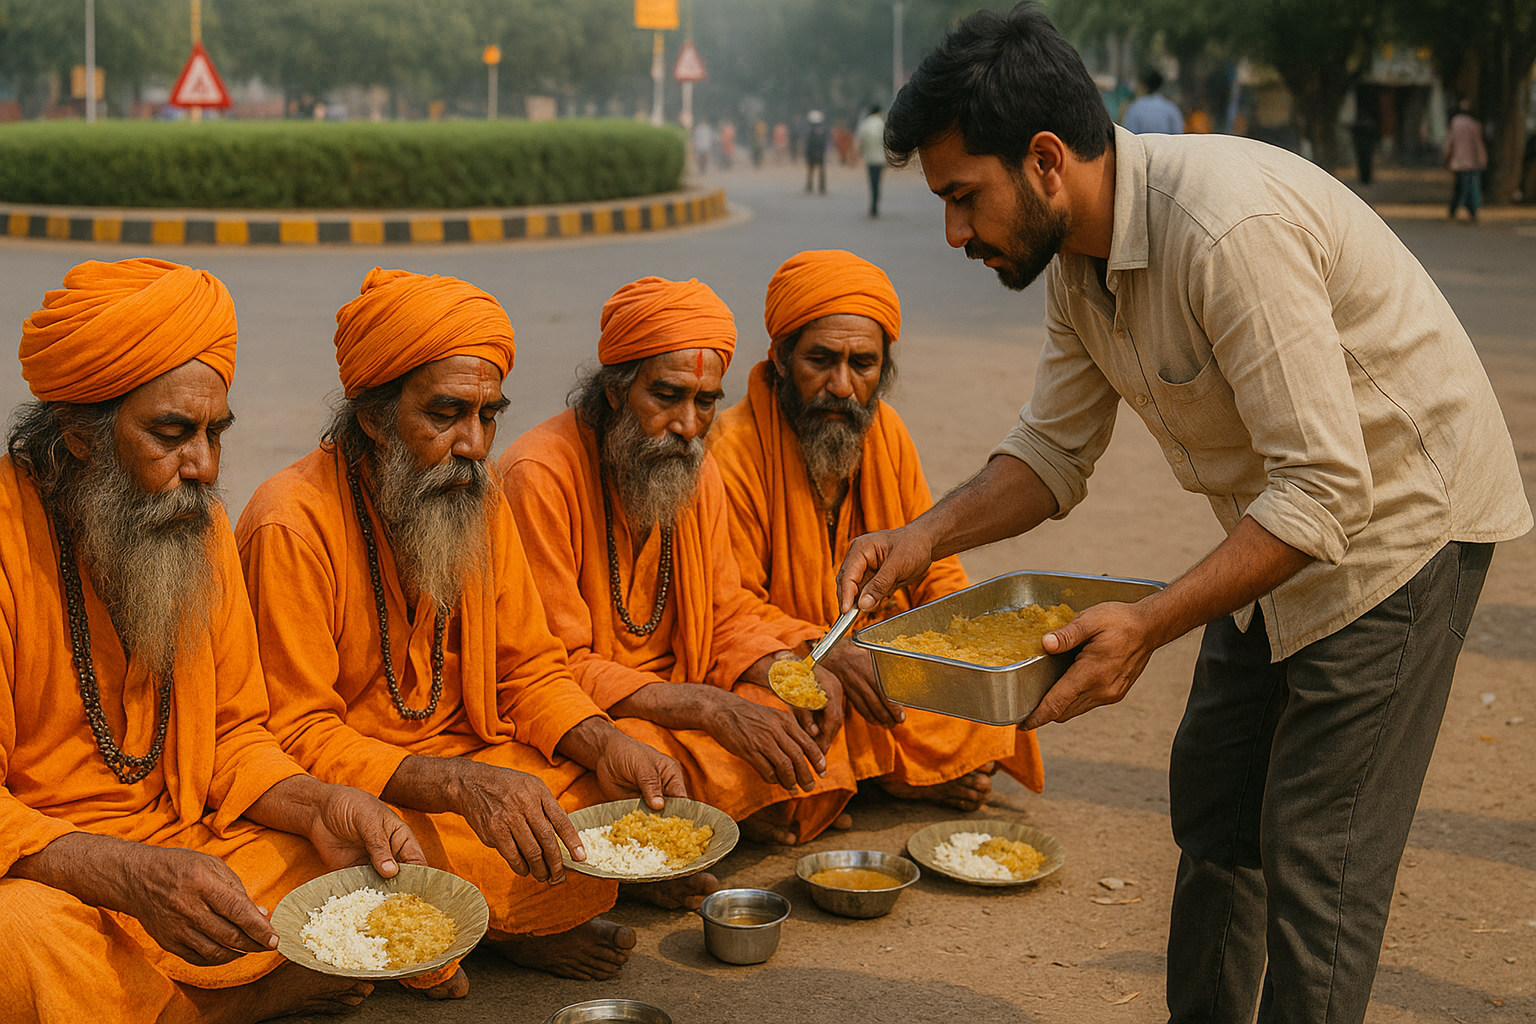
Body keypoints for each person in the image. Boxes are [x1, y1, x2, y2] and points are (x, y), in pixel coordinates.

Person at [844, 7, 1531, 1023]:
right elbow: (1052, 452)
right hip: (1284, 523)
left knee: (1318, 858)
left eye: (961, 196)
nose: (953, 232)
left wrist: (1150, 625)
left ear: (1043, 161)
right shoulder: (1076, 265)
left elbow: (1330, 490)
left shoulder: (1223, 229)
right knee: (1215, 810)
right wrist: (925, 535)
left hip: (1401, 528)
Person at [235, 268, 701, 985]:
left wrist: (602, 739)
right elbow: (296, 732)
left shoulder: (477, 502)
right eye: (446, 414)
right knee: (314, 854)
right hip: (363, 787)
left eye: (488, 416)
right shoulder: (289, 522)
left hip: (476, 759)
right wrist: (456, 787)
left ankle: (497, 919)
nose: (475, 444)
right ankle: (514, 924)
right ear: (372, 416)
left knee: (607, 777)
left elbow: (530, 669)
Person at [1, 258, 429, 1022]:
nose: (202, 465)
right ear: (79, 439)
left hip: (189, 846)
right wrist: (129, 875)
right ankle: (219, 1008)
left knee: (366, 858)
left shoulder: (196, 533)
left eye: (213, 434)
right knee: (18, 936)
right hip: (49, 871)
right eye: (171, 434)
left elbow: (233, 736)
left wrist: (317, 803)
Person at [499, 276, 858, 846]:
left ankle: (697, 826)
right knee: (578, 775)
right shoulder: (539, 475)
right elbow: (549, 667)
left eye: (706, 402)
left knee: (803, 705)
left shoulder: (695, 467)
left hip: (682, 693)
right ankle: (718, 817)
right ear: (616, 391)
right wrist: (707, 708)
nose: (689, 425)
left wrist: (784, 668)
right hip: (595, 716)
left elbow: (725, 612)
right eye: (666, 397)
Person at [710, 249, 1045, 812]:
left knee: (985, 687)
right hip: (789, 657)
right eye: (821, 360)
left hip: (883, 661)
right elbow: (729, 611)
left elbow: (934, 562)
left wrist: (969, 646)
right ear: (781, 357)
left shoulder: (886, 432)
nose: (842, 386)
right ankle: (892, 773)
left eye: (862, 365)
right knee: (783, 709)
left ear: (882, 368)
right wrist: (825, 649)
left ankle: (869, 772)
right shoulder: (731, 451)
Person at [1445, 99, 1488, 222]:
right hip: (1470, 162)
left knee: (1458, 188)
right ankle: (1472, 212)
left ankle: (1453, 210)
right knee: (1470, 188)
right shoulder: (1473, 124)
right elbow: (1478, 144)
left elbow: (1449, 142)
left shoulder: (1455, 122)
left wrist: (1446, 157)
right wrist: (1482, 160)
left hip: (1457, 162)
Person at [1121, 68, 1183, 135]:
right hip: (1165, 144)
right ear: (1161, 85)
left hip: (1142, 145)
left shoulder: (1135, 107)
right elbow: (1178, 134)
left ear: (1145, 86)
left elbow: (1129, 134)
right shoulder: (1171, 108)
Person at [856, 105, 889, 216]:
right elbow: (887, 142)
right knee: (878, 182)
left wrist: (861, 153)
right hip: (881, 159)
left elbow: (861, 141)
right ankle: (876, 204)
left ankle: (873, 204)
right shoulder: (882, 124)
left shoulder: (865, 124)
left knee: (872, 182)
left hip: (870, 158)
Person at [804, 110, 829, 194]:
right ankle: (821, 187)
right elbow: (824, 142)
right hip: (819, 153)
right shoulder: (822, 130)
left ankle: (811, 186)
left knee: (811, 170)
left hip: (813, 153)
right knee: (819, 170)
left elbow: (808, 143)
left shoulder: (809, 130)